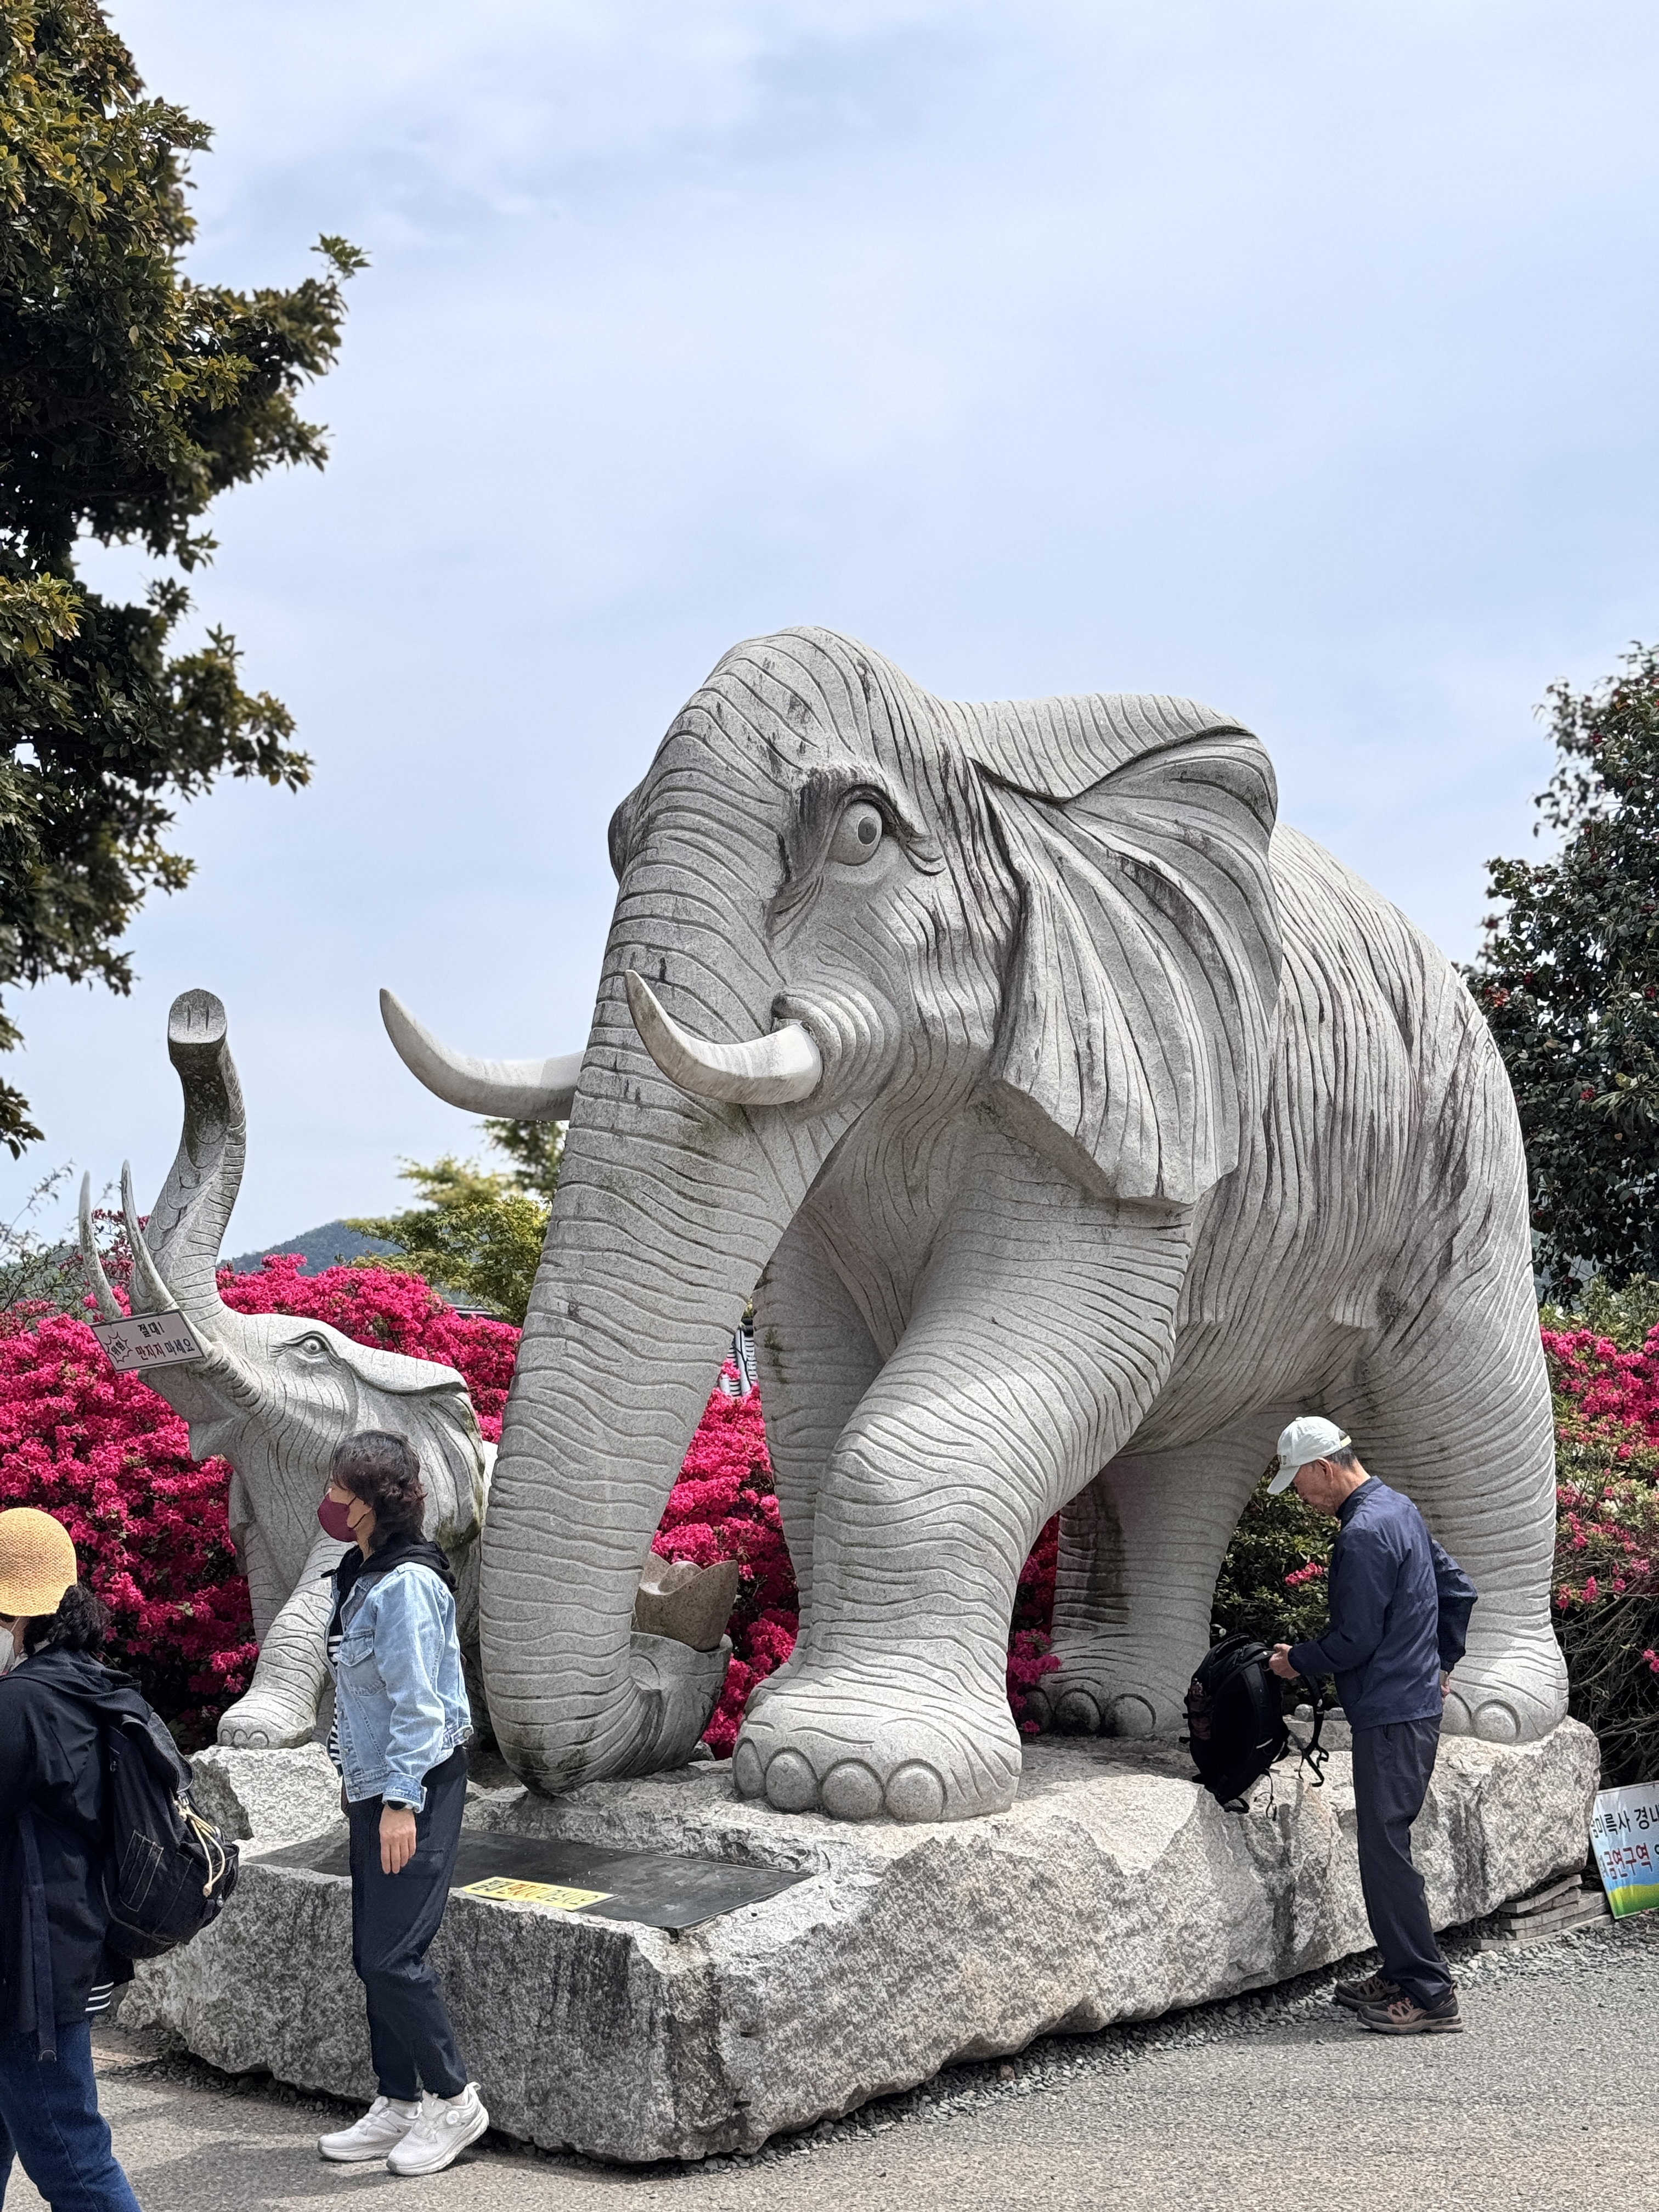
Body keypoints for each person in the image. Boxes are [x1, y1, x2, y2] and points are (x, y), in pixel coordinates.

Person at [1266, 1416, 1478, 2036]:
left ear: (1323, 1468)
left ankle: (1429, 1991)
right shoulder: (1398, 1509)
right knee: (1388, 1847)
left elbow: (1354, 1640)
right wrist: (1442, 1663)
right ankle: (1401, 1970)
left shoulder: (1361, 1534)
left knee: (1385, 1854)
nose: (1300, 1496)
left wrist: (1296, 1661)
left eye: (1299, 1482)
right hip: (1411, 1704)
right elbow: (1458, 1590)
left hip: (1389, 1712)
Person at [313, 1431, 489, 2176]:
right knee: (371, 1954)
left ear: (366, 1504)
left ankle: (453, 2099)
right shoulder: (360, 1573)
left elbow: (420, 1707)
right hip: (374, 1785)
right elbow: (360, 1696)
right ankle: (398, 2100)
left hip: (413, 1787)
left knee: (393, 1956)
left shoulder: (407, 1585)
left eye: (338, 1488)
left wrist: (399, 1803)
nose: (328, 1500)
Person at [0, 1506, 143, 2211]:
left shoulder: (22, 1703)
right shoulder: (86, 1683)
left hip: (31, 1971)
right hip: (70, 1946)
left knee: (72, 2161)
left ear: (16, 1616)